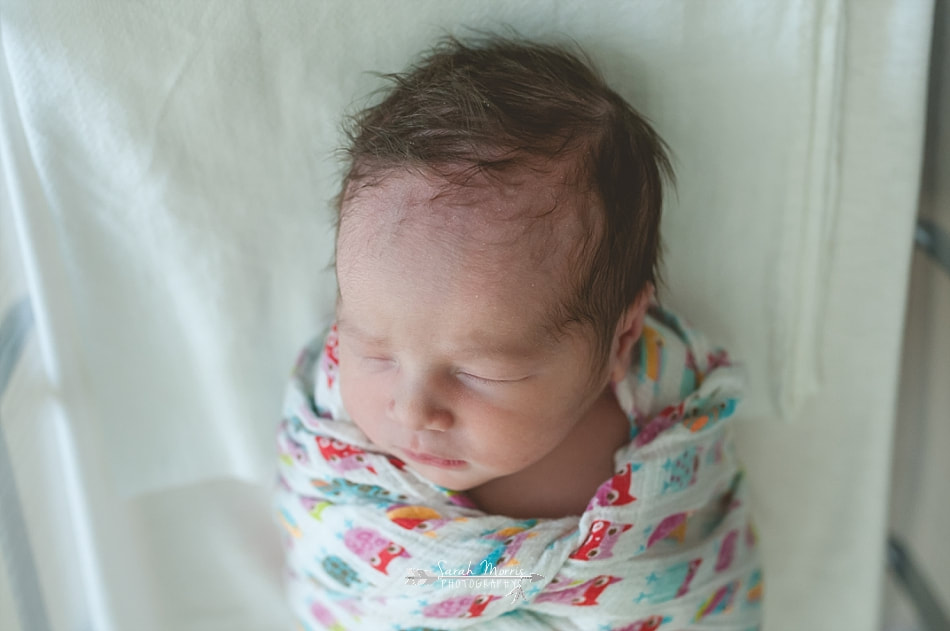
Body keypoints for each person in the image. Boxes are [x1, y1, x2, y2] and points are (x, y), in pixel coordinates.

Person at [275, 35, 762, 631]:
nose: (414, 409)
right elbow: (336, 556)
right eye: (374, 350)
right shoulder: (335, 433)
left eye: (480, 372)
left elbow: (689, 581)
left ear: (622, 338)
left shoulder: (670, 422)